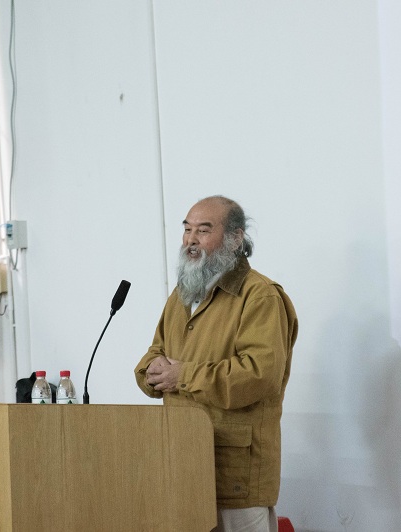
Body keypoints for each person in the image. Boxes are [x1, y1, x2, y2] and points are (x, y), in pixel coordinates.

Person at [134, 195, 298, 532]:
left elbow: (259, 375)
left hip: (236, 472)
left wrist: (182, 375)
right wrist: (150, 373)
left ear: (235, 239)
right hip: (182, 464)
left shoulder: (259, 295)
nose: (191, 240)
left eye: (204, 230)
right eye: (187, 229)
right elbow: (156, 352)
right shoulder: (182, 294)